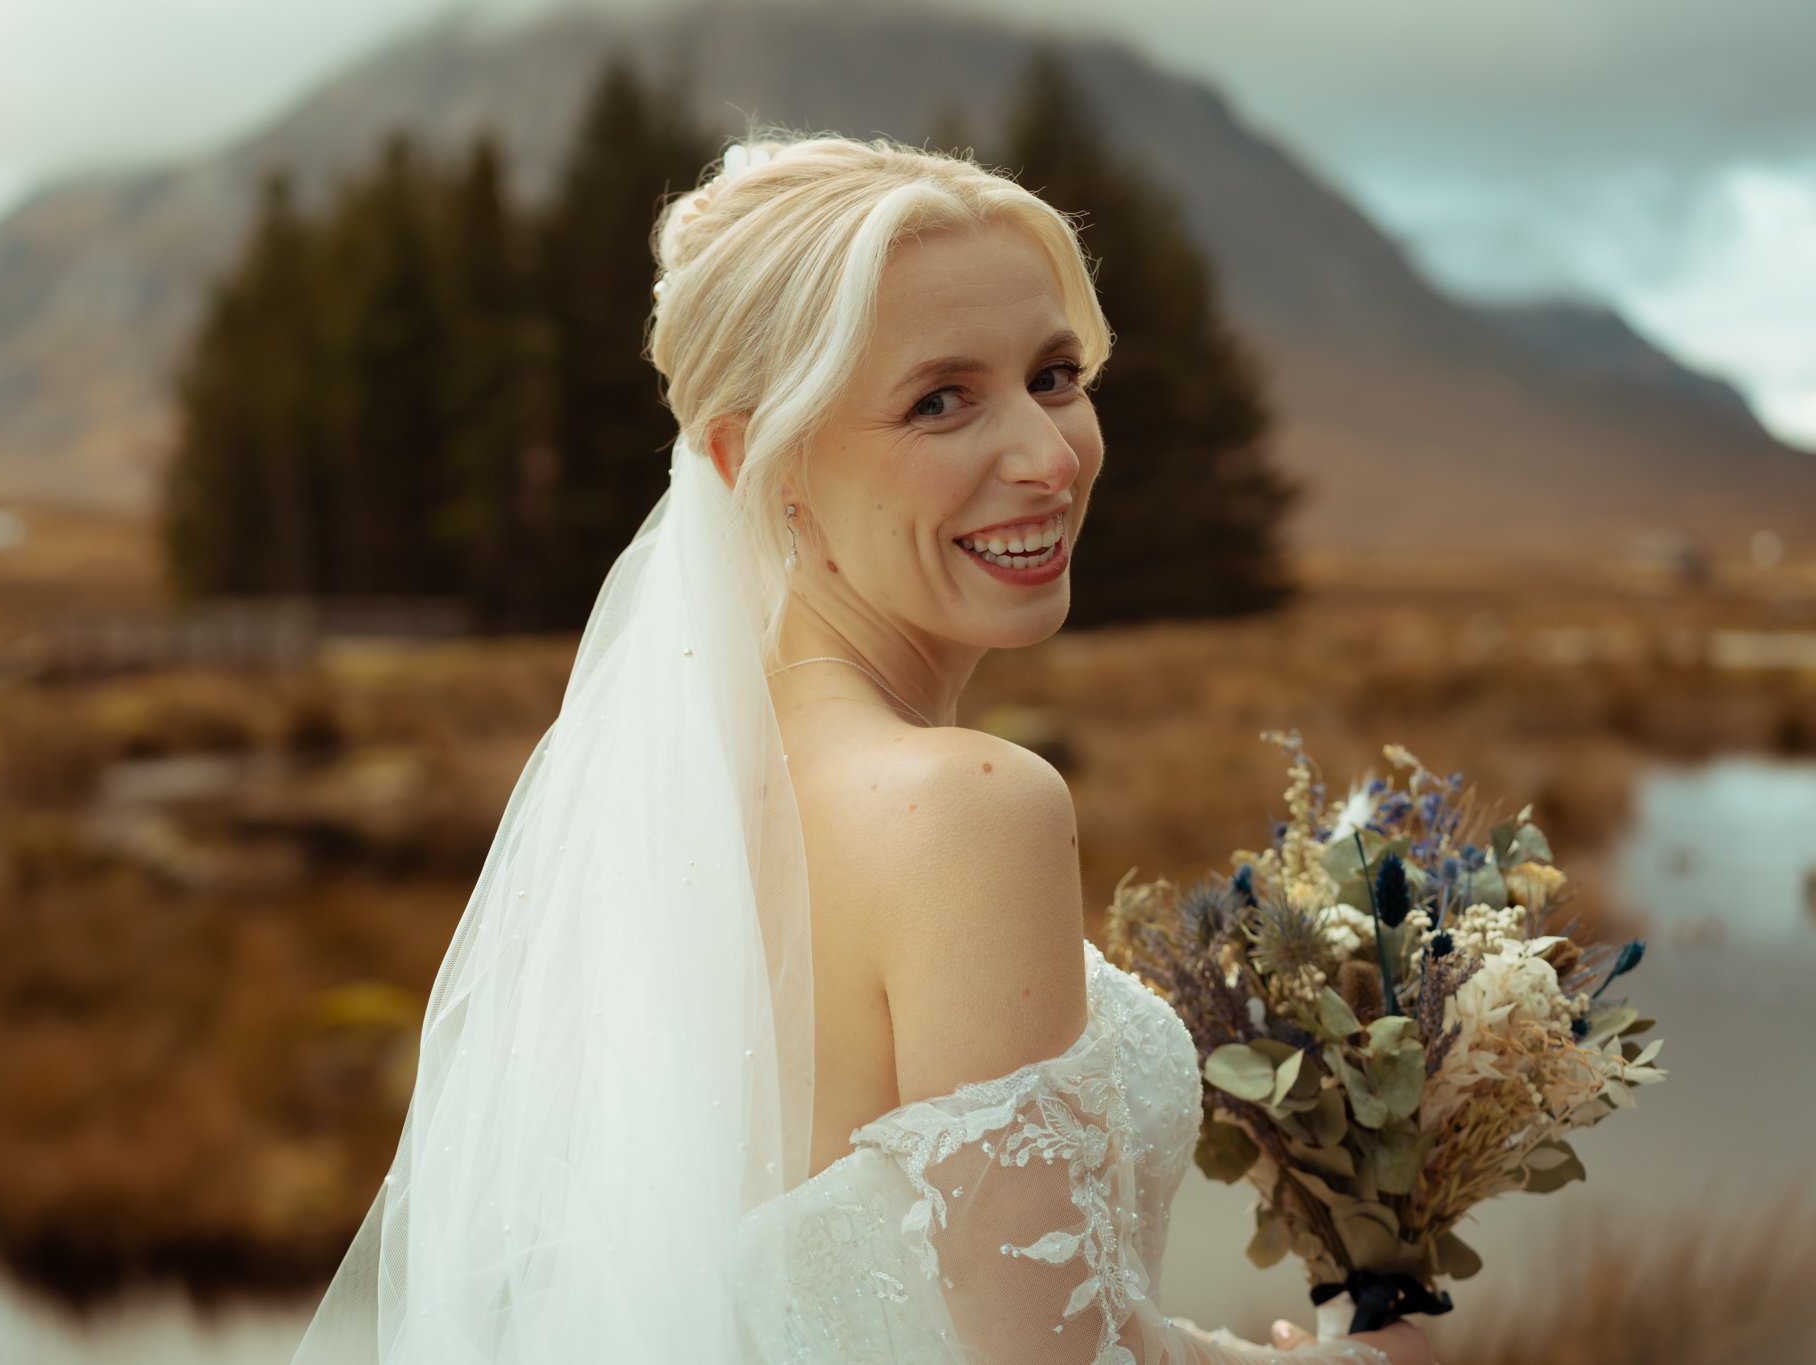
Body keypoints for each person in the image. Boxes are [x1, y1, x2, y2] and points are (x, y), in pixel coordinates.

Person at [288, 134, 1435, 1365]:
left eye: (1053, 376)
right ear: (751, 461)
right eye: (939, 401)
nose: (1049, 457)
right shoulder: (966, 810)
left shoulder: (676, 804)